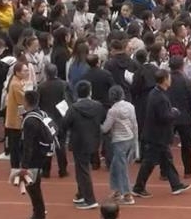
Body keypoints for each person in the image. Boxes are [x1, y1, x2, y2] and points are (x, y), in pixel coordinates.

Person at [132, 69, 191, 198]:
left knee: (165, 160)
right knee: (149, 163)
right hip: (157, 136)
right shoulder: (160, 97)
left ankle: (176, 185)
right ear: (164, 80)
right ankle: (138, 187)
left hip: (156, 135)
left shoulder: (156, 93)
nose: (170, 80)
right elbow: (164, 117)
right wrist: (174, 112)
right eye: (169, 78)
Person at [63, 80, 105, 210]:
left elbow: (65, 124)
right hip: (93, 141)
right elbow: (102, 119)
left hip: (79, 142)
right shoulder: (98, 106)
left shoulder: (73, 108)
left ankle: (90, 199)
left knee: (83, 170)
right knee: (81, 169)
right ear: (90, 92)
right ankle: (81, 194)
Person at [100, 85, 138, 205]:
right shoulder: (130, 106)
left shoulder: (113, 111)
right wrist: (135, 141)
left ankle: (127, 195)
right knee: (115, 166)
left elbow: (105, 128)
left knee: (121, 168)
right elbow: (134, 124)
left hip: (119, 141)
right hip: (129, 138)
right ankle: (117, 190)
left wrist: (97, 126)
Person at [19, 89, 53, 219]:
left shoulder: (29, 121)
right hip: (43, 153)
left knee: (32, 187)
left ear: (26, 102)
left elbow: (28, 145)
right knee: (35, 185)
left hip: (34, 157)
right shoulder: (42, 114)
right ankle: (39, 212)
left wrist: (24, 165)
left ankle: (39, 213)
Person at [167, 56, 191, 178]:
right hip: (184, 116)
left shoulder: (166, 79)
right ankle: (188, 171)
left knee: (166, 145)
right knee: (187, 145)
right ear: (182, 66)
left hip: (169, 116)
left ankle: (165, 172)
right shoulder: (187, 81)